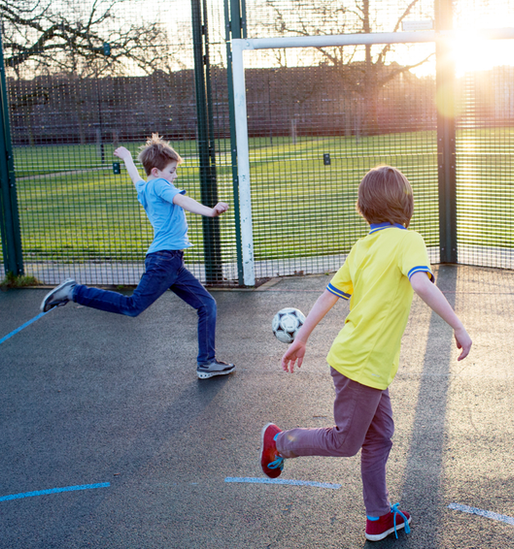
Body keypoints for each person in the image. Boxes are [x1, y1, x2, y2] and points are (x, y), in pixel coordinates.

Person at [258, 165, 472, 541]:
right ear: (407, 205)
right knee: (346, 442)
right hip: (362, 364)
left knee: (380, 436)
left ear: (363, 207)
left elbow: (328, 295)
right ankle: (279, 442)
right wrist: (457, 325)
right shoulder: (409, 241)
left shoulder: (362, 247)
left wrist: (302, 337)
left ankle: (377, 516)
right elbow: (421, 284)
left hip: (363, 362)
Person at [40, 133, 234, 380]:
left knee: (207, 304)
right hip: (164, 261)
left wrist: (128, 158)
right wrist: (211, 211)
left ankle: (206, 363)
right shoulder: (160, 185)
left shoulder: (146, 187)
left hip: (171, 263)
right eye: (172, 171)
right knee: (132, 307)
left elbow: (135, 177)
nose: (174, 177)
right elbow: (181, 199)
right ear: (155, 171)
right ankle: (74, 291)